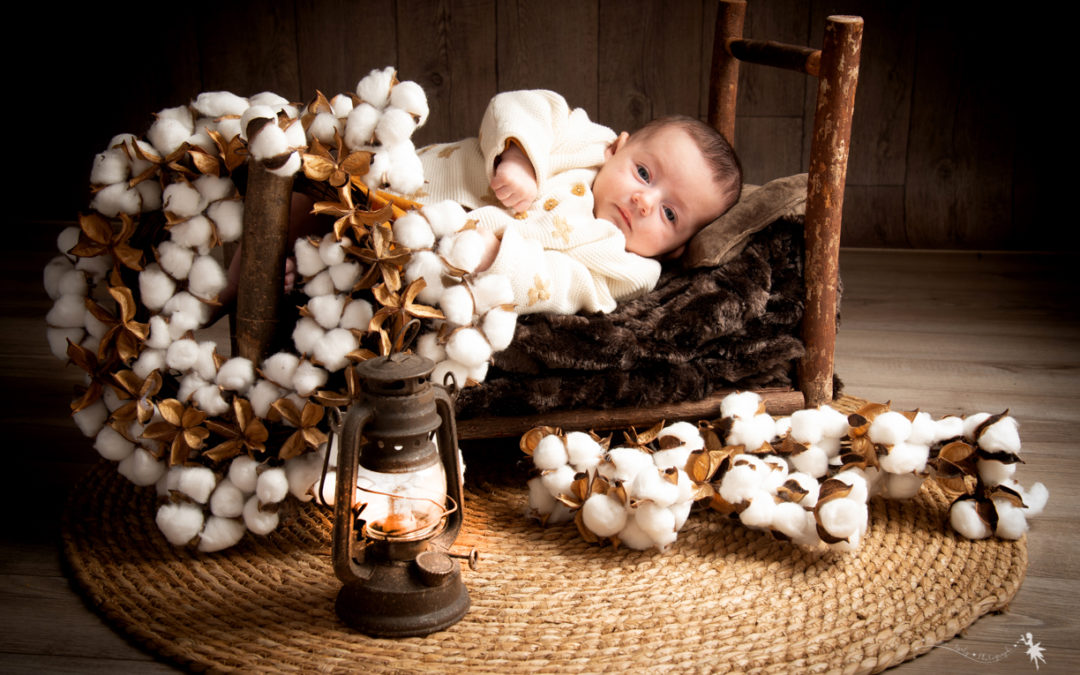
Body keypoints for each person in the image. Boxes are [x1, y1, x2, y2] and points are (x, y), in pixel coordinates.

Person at [413, 89, 742, 314]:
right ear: (617, 148)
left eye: (669, 214)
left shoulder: (628, 268)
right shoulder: (587, 141)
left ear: (675, 249)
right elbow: (523, 107)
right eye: (643, 173)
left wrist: (497, 259)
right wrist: (520, 157)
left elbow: (562, 286)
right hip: (413, 173)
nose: (645, 202)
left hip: (424, 250)